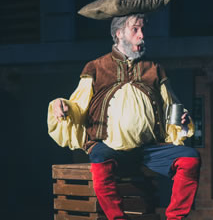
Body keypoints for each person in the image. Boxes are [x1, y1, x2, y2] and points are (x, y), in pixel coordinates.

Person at [47, 13, 200, 220]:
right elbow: (78, 105)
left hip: (149, 149)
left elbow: (171, 106)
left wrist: (181, 120)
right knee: (99, 158)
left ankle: (175, 217)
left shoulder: (154, 69)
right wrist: (61, 104)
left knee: (190, 158)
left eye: (143, 29)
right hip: (109, 147)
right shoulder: (96, 67)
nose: (142, 35)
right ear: (118, 33)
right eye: (135, 29)